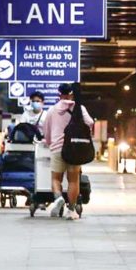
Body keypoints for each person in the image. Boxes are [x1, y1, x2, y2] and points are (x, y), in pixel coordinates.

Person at [43, 83, 94, 220]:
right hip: (74, 149)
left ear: (59, 94)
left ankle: (58, 197)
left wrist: (49, 142)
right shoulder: (79, 108)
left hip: (57, 148)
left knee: (55, 178)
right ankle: (71, 210)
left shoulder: (52, 110)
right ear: (71, 94)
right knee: (73, 180)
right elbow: (90, 123)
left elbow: (46, 130)